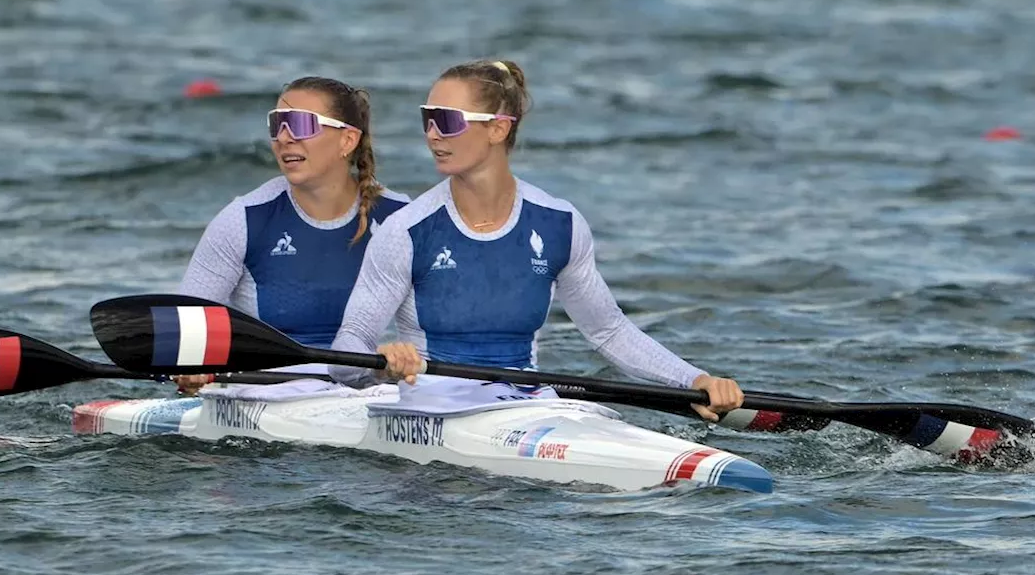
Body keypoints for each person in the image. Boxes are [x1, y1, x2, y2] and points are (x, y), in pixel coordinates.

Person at [330, 60, 742, 421]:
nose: (433, 135)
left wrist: (695, 379)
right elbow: (347, 351)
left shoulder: (559, 223)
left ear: (497, 128)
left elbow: (609, 331)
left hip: (526, 404)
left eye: (448, 120)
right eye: (428, 119)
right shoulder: (407, 231)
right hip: (431, 404)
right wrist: (383, 365)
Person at [174, 76, 410, 394]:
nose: (284, 138)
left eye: (299, 124)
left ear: (347, 140)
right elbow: (188, 333)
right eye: (277, 124)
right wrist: (191, 367)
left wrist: (398, 360)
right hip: (267, 393)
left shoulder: (402, 219)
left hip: (370, 387)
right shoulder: (244, 220)